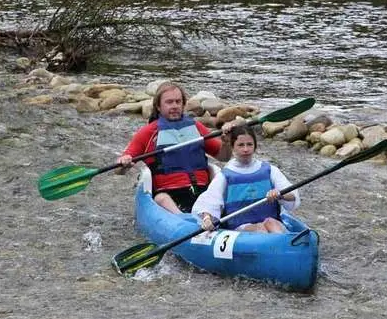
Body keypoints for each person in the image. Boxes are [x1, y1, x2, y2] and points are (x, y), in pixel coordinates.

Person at [116, 82, 233, 214]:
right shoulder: (148, 133)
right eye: (169, 102)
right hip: (169, 197)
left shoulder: (196, 127)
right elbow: (119, 170)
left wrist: (227, 143)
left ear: (183, 104)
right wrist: (124, 163)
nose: (175, 106)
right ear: (158, 107)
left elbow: (224, 157)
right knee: (162, 198)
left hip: (201, 192)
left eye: (178, 102)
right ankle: (182, 220)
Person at [192, 124, 299, 234]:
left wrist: (280, 194)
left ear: (255, 146)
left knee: (272, 223)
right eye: (241, 145)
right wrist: (207, 219)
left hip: (269, 221)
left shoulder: (270, 170)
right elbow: (210, 201)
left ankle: (281, 244)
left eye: (249, 144)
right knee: (260, 229)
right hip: (239, 227)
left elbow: (292, 195)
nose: (246, 149)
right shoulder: (225, 176)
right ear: (233, 147)